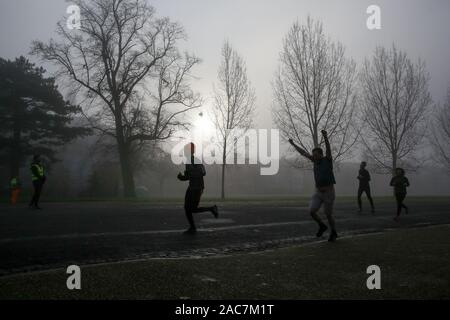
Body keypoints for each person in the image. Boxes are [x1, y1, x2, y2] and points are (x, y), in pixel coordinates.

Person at [288, 130, 338, 242]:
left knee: (328, 214)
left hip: (329, 192)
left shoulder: (327, 160)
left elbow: (328, 149)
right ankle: (322, 226)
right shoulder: (314, 161)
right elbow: (303, 152)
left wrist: (325, 137)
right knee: (311, 211)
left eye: (316, 155)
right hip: (318, 192)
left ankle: (333, 231)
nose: (314, 157)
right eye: (313, 155)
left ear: (321, 155)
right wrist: (293, 144)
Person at [177, 143, 218, 234]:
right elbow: (188, 176)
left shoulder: (195, 160)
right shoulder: (188, 161)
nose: (184, 152)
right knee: (188, 208)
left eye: (185, 150)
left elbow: (203, 172)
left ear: (190, 151)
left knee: (191, 208)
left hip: (197, 187)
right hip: (192, 187)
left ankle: (211, 209)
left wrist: (190, 174)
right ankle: (193, 227)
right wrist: (182, 177)